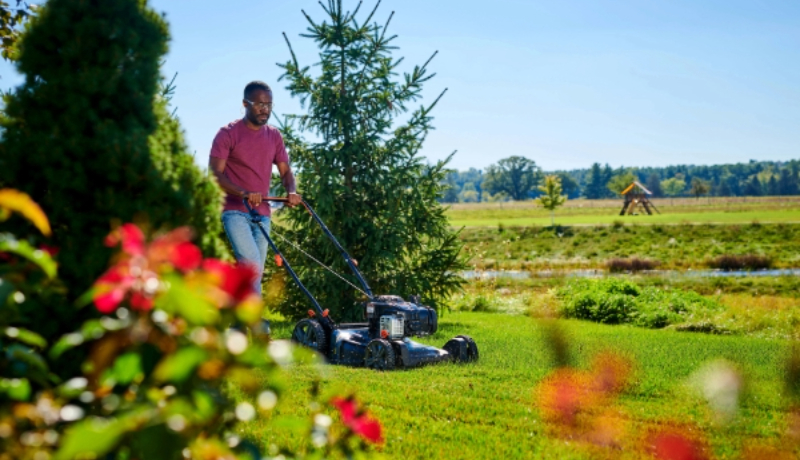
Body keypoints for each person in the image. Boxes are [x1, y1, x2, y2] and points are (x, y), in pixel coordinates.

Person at [209, 81, 302, 297]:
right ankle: (259, 326)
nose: (265, 110)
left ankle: (238, 325)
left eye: (269, 105)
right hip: (234, 211)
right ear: (245, 104)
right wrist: (243, 193)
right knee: (252, 268)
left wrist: (292, 191)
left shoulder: (274, 136)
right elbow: (215, 174)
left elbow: (286, 171)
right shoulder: (228, 133)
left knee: (253, 274)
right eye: (259, 104)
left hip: (262, 214)